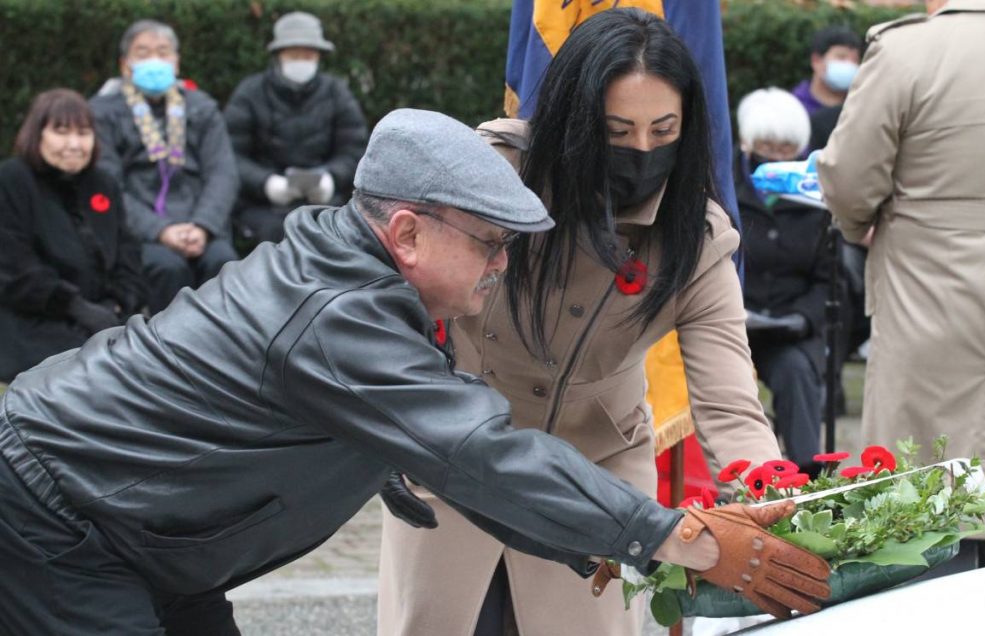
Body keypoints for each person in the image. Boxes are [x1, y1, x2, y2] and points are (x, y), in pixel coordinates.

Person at [0, 108, 830, 635]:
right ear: (405, 232)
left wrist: (598, 541)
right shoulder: (341, 317)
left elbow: (461, 467)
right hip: (59, 518)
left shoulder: (356, 278)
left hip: (135, 527)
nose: (504, 266)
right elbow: (480, 452)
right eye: (491, 242)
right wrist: (674, 534)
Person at [378, 10, 786, 636]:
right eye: (618, 130)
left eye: (664, 130)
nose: (643, 152)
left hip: (599, 477)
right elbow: (385, 295)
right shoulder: (487, 177)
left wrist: (774, 502)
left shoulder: (696, 240)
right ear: (574, 118)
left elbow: (730, 403)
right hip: (455, 455)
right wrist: (380, 431)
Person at [818, 0, 985, 568]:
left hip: (930, 280)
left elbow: (849, 179)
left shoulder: (907, 50)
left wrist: (862, 226)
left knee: (930, 477)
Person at [90, 19, 239, 313]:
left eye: (163, 52)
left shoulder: (201, 107)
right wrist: (160, 230)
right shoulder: (102, 113)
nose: (154, 60)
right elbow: (108, 183)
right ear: (125, 65)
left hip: (200, 225)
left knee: (223, 262)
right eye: (143, 53)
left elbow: (223, 173)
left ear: (176, 61)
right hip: (141, 230)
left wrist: (204, 226)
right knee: (167, 268)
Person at [0, 89, 144, 382]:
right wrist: (75, 306)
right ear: (37, 134)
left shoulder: (103, 183)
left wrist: (116, 303)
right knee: (85, 367)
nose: (74, 144)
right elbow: (14, 266)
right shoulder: (12, 179)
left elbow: (128, 253)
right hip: (36, 317)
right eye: (61, 132)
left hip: (105, 315)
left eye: (83, 133)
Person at [734, 88, 830, 474]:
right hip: (731, 320)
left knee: (795, 373)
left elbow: (829, 280)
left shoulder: (816, 200)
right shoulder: (726, 193)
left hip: (790, 324)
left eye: (786, 148)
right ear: (747, 143)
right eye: (766, 147)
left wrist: (803, 319)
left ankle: (810, 477)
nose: (775, 157)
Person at [224, 11, 368, 246]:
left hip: (327, 202)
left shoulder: (337, 93)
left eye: (308, 55)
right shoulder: (250, 93)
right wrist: (266, 183)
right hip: (262, 206)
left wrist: (331, 179)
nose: (301, 60)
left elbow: (354, 149)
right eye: (294, 54)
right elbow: (231, 154)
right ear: (279, 55)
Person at [791, 25, 862, 117]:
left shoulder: (860, 109)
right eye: (841, 57)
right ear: (816, 61)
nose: (850, 65)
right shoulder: (794, 108)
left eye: (855, 60)